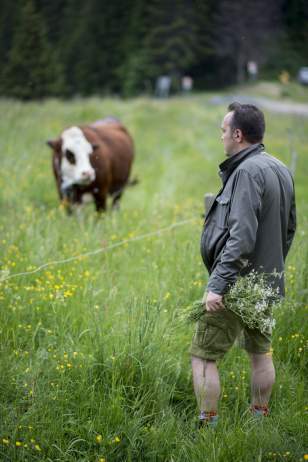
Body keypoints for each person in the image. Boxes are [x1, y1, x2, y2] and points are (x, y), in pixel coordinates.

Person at [190, 102, 296, 427]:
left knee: (203, 357)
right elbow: (289, 229)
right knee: (260, 354)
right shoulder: (279, 168)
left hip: (237, 284)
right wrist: (270, 269)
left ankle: (208, 425)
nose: (221, 137)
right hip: (264, 283)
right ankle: (258, 420)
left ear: (237, 134)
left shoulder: (247, 172)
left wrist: (218, 285)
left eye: (224, 131)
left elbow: (241, 238)